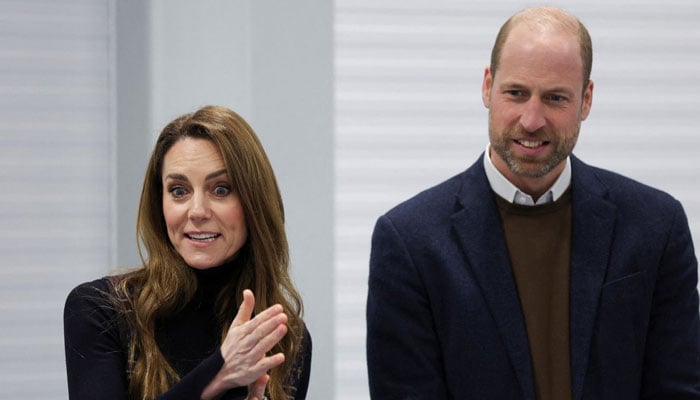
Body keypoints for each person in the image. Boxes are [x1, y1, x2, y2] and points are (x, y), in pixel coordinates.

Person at [367, 6, 700, 400]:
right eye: (516, 93)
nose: (531, 120)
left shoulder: (656, 227)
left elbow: (679, 389)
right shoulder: (410, 242)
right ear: (487, 87)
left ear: (586, 100)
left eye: (555, 98)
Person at [64, 105, 311, 400]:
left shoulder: (285, 339)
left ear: (254, 203)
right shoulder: (101, 310)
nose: (197, 212)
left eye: (221, 189)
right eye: (179, 191)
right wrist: (217, 375)